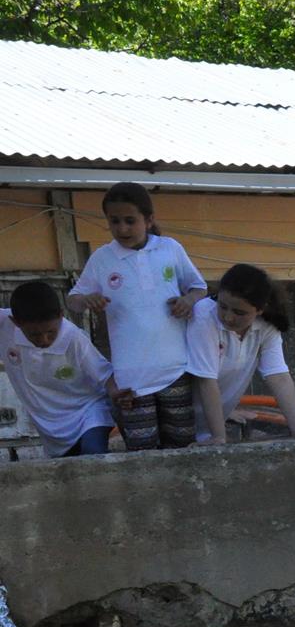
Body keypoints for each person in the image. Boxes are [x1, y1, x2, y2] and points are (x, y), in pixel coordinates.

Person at [66, 182, 206, 451]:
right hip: (131, 378)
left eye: (130, 221)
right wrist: (86, 300)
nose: (122, 229)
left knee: (183, 448)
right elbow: (73, 301)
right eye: (114, 221)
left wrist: (188, 300)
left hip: (175, 370)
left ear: (149, 220)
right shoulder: (102, 259)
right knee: (142, 452)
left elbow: (198, 287)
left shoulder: (170, 249)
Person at [188, 263, 295, 444]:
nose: (228, 317)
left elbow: (279, 377)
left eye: (239, 312)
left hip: (214, 421)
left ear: (260, 310)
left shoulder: (267, 326)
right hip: (185, 421)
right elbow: (207, 380)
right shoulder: (204, 317)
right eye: (222, 306)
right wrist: (219, 437)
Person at [1, 279, 115, 457]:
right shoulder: (4, 325)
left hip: (87, 412)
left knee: (93, 454)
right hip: (49, 423)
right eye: (35, 334)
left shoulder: (74, 338)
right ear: (15, 322)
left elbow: (105, 375)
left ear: (61, 316)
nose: (44, 339)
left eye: (51, 332)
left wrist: (119, 395)